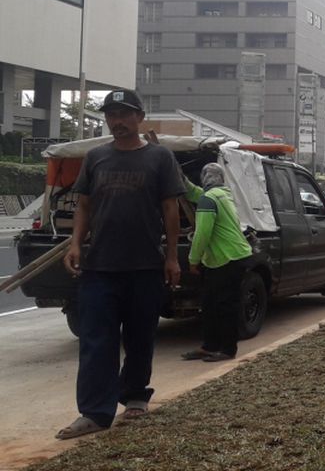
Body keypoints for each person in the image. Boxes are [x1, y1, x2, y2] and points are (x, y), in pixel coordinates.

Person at [56, 89, 184, 440]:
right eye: (111, 115)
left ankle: (135, 398)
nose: (117, 121)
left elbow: (171, 208)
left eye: (124, 114)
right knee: (97, 340)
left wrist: (172, 257)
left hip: (144, 265)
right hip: (100, 266)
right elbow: (83, 204)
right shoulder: (96, 157)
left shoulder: (159, 158)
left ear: (140, 117)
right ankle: (95, 412)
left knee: (140, 337)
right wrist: (75, 244)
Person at [180, 163, 253, 363]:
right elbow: (195, 193)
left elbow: (202, 234)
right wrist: (183, 180)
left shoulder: (209, 199)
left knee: (224, 306)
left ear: (204, 178)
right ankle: (209, 346)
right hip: (229, 257)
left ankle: (228, 349)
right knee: (209, 304)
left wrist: (193, 260)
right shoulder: (222, 194)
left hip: (227, 258)